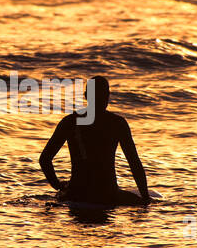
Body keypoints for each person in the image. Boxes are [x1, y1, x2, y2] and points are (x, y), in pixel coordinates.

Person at [39, 76, 150, 206]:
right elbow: (134, 163)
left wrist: (58, 186)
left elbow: (45, 159)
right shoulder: (117, 123)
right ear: (108, 96)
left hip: (77, 193)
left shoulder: (70, 121)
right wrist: (145, 198)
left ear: (86, 96)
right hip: (108, 194)